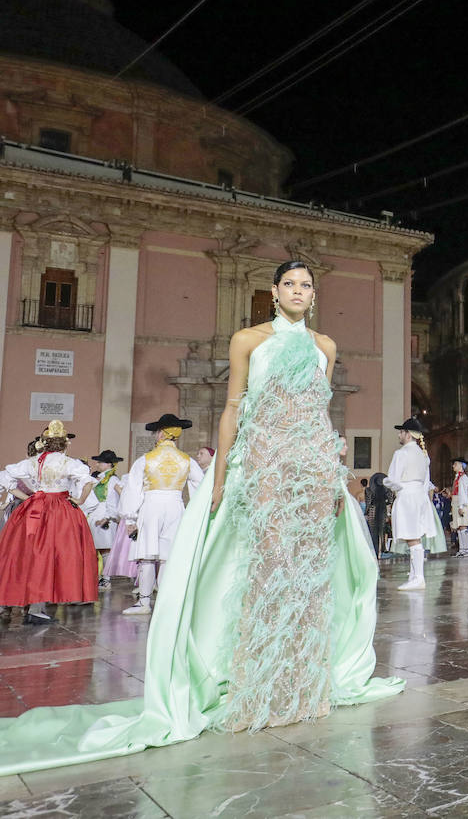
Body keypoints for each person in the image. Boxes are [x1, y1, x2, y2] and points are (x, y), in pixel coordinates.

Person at [0, 259, 401, 775]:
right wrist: (221, 479)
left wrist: (333, 473)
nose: (298, 291)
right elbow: (233, 408)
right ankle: (258, 688)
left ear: (313, 294)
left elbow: (320, 414)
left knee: (309, 576)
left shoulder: (325, 346)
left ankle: (303, 685)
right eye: (289, 284)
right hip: (263, 464)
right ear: (274, 292)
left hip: (310, 467)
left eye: (307, 285)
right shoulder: (248, 339)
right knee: (266, 572)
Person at [0, 420, 96, 624]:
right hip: (59, 510)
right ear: (64, 444)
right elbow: (87, 481)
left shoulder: (32, 462)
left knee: (32, 555)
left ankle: (30, 605)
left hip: (35, 509)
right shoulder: (68, 463)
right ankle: (37, 607)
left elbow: (6, 478)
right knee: (54, 556)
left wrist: (28, 498)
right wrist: (80, 500)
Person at [120, 412, 204, 614]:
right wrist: (194, 509)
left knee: (148, 555)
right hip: (176, 505)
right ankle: (165, 603)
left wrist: (130, 517)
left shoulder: (146, 459)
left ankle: (144, 602)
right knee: (167, 556)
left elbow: (133, 488)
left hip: (151, 505)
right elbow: (201, 485)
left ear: (160, 434)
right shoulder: (187, 460)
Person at [384, 418, 435, 590]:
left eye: (401, 432)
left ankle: (418, 577)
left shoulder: (402, 453)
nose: (399, 434)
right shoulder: (423, 455)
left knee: (412, 537)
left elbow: (393, 480)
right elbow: (426, 481)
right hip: (419, 496)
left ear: (408, 434)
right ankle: (415, 575)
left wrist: (385, 483)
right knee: (414, 536)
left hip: (407, 496)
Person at [83, 449, 124, 590]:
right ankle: (95, 577)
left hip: (105, 515)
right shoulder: (99, 478)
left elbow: (114, 499)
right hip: (94, 514)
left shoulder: (113, 480)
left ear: (108, 464)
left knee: (105, 548)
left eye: (100, 462)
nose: (97, 464)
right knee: (93, 548)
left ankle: (106, 579)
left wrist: (109, 516)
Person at [451, 459, 468, 555]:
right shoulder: (457, 478)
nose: (453, 466)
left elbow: (463, 493)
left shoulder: (463, 478)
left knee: (463, 526)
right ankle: (461, 549)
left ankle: (466, 549)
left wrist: (461, 506)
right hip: (456, 502)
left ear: (460, 466)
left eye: (455, 464)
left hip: (461, 503)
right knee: (458, 527)